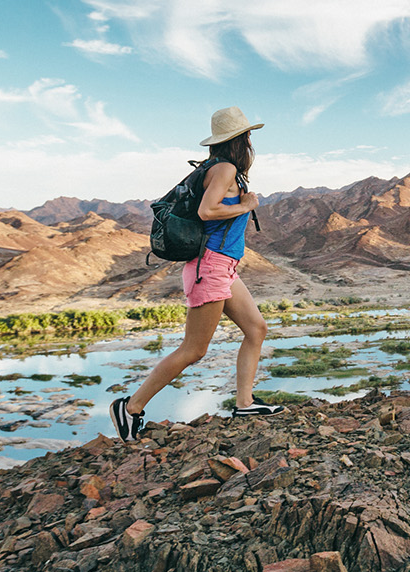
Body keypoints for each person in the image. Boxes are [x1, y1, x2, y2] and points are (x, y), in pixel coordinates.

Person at [110, 106, 283, 443]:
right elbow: (207, 211)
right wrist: (246, 205)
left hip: (223, 268)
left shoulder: (219, 168)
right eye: (247, 135)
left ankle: (245, 403)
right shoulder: (224, 169)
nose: (250, 140)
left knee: (256, 328)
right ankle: (130, 408)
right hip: (211, 267)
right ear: (240, 139)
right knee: (194, 349)